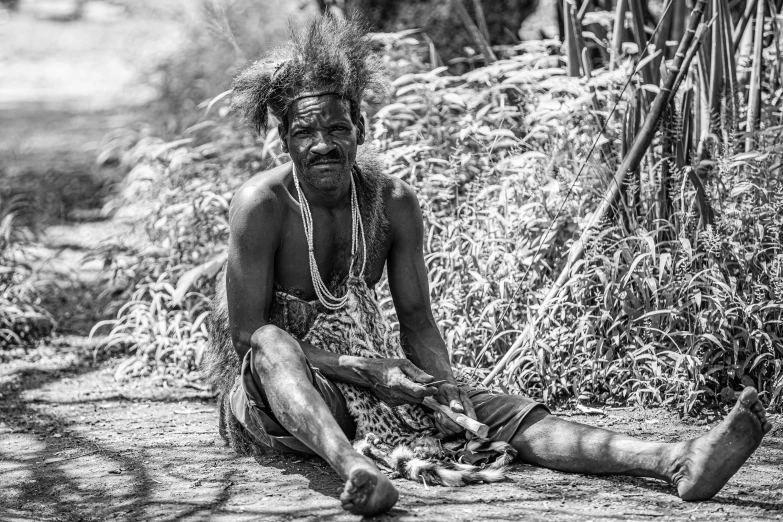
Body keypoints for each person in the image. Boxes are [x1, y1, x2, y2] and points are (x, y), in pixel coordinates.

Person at [203, 15, 773, 517]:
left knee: (489, 413)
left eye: (337, 128)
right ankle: (354, 469)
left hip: (376, 385)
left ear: (360, 128)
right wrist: (364, 369)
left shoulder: (391, 203)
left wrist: (446, 389)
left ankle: (674, 459)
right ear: (284, 137)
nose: (323, 144)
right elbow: (247, 333)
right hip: (286, 396)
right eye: (306, 130)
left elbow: (418, 320)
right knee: (276, 339)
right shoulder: (264, 206)